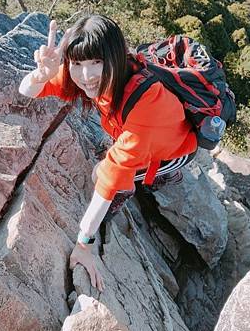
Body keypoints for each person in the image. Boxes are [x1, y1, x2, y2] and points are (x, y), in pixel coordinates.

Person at [19, 14, 197, 292]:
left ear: (114, 58)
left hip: (173, 150)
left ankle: (153, 182)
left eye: (96, 63)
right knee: (108, 166)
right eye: (77, 64)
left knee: (101, 174)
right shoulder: (90, 73)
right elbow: (27, 91)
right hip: (137, 133)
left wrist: (83, 245)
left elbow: (110, 177)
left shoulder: (148, 101)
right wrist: (41, 75)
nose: (86, 76)